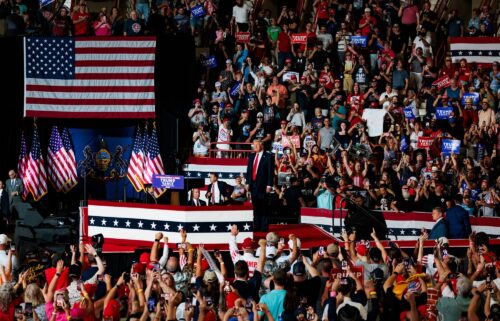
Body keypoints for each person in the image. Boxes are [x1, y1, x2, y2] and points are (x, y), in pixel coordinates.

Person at [246, 139, 273, 231]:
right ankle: (257, 226)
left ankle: (264, 226)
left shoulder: (268, 156)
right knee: (255, 206)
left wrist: (269, 185)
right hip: (253, 185)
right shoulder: (252, 156)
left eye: (256, 145)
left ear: (261, 145)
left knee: (263, 206)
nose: (255, 147)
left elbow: (270, 171)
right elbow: (249, 171)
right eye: (254, 145)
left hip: (263, 185)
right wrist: (247, 183)